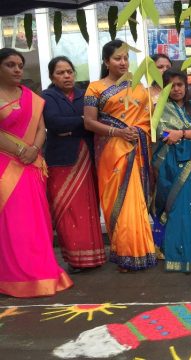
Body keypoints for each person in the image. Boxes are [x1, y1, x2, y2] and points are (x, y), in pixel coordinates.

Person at [0, 48, 73, 297]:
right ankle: (12, 276)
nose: (18, 69)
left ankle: (41, 271)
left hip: (32, 167)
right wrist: (22, 150)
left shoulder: (32, 97)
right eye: (10, 65)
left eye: (20, 64)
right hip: (5, 168)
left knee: (36, 221)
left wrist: (33, 149)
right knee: (12, 223)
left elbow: (42, 128)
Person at [84, 39, 156, 272]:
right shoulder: (95, 88)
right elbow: (89, 122)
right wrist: (118, 131)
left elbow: (148, 119)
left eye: (126, 58)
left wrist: (137, 132)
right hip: (112, 150)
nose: (123, 62)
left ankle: (141, 252)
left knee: (136, 202)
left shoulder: (138, 86)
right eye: (117, 58)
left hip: (137, 148)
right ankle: (125, 253)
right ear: (106, 62)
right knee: (120, 202)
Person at [42, 56, 105, 273]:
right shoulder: (47, 97)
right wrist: (85, 120)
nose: (66, 76)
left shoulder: (85, 94)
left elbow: (98, 121)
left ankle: (93, 257)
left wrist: (80, 124)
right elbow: (53, 123)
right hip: (60, 160)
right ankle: (75, 260)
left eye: (69, 71)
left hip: (87, 157)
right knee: (65, 208)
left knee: (88, 207)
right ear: (52, 76)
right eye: (60, 72)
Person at [152, 69, 191, 273]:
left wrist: (181, 133)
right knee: (176, 208)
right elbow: (157, 134)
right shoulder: (158, 109)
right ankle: (176, 256)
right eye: (171, 85)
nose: (176, 89)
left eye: (180, 84)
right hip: (169, 163)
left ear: (186, 86)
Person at [149, 53, 172, 260]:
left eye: (167, 66)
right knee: (158, 194)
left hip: (178, 151)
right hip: (156, 149)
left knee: (174, 194)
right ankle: (159, 243)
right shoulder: (145, 94)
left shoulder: (178, 93)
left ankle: (174, 241)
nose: (163, 70)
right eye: (159, 67)